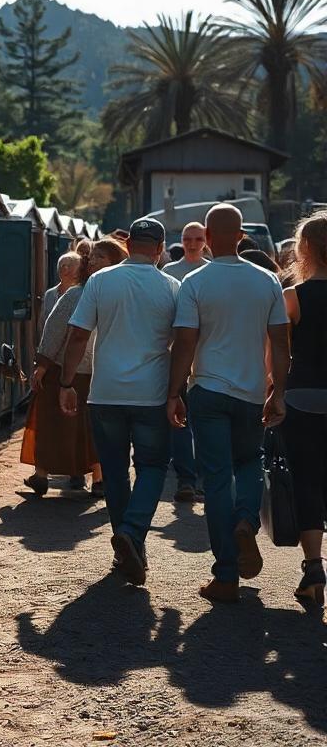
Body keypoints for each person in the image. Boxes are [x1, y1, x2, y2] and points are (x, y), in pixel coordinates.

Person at [166, 204, 289, 604]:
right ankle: (246, 522)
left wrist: (173, 393)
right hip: (252, 390)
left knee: (216, 478)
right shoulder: (268, 280)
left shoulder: (195, 283)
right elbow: (281, 342)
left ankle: (226, 575)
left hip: (208, 390)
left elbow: (184, 341)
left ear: (208, 236)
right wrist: (278, 391)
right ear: (239, 237)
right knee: (251, 461)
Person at [60, 218, 179, 585]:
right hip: (151, 394)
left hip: (106, 392)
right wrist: (177, 390)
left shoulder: (100, 281)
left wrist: (66, 383)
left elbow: (78, 335)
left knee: (113, 473)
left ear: (130, 245)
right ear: (159, 249)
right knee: (153, 468)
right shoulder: (172, 286)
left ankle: (127, 545)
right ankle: (131, 534)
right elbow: (182, 341)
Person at [22, 239, 128, 497]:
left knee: (54, 424)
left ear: (115, 262)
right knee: (89, 427)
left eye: (100, 257)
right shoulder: (119, 295)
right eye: (92, 256)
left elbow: (55, 330)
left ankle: (44, 475)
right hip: (96, 372)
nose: (92, 260)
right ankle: (87, 479)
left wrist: (43, 365)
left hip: (70, 371)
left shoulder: (78, 294)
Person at [280, 211, 327, 606]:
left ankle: (314, 568)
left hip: (302, 395)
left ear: (305, 249)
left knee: (307, 481)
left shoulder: (293, 296)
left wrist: (273, 393)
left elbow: (277, 355)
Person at [161, 221, 210, 502]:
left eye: (198, 238)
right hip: (178, 354)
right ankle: (186, 480)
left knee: (201, 420)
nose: (192, 243)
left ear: (205, 240)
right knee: (180, 421)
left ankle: (201, 477)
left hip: (205, 356)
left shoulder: (211, 271)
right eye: (188, 238)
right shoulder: (170, 272)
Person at [40, 251, 84, 325]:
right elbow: (43, 321)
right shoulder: (50, 294)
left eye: (68, 265)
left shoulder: (83, 294)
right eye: (61, 265)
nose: (63, 268)